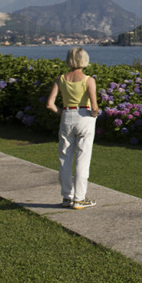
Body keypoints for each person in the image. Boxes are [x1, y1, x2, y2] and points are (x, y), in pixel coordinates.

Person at [46, 46, 100, 210]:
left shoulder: (61, 79)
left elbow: (49, 104)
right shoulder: (88, 80)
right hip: (84, 116)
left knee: (65, 158)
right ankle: (79, 198)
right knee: (82, 159)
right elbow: (95, 106)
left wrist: (61, 112)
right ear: (84, 60)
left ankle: (66, 197)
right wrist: (94, 114)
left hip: (67, 116)